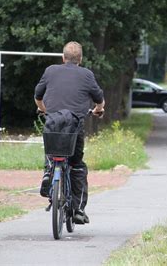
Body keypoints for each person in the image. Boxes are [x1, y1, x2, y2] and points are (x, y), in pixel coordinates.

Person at [34, 41, 105, 224]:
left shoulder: (50, 71)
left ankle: (48, 174)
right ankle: (79, 209)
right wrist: (98, 109)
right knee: (77, 164)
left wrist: (44, 109)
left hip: (52, 121)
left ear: (63, 57)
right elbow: (99, 99)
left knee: (52, 153)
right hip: (74, 125)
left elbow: (38, 95)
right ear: (80, 59)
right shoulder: (86, 74)